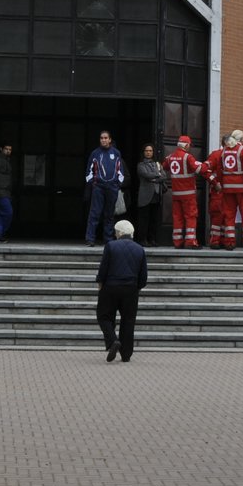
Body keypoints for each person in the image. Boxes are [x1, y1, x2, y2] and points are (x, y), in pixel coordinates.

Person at [95, 219, 148, 362]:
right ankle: (126, 354)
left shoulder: (111, 246)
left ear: (119, 232)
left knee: (104, 316)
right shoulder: (140, 249)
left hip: (110, 287)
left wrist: (100, 282)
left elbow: (104, 267)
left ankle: (113, 341)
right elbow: (143, 276)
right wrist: (137, 287)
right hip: (131, 289)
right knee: (128, 320)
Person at [214, 130, 243, 249]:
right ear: (242, 139)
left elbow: (219, 170)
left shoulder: (224, 151)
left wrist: (221, 185)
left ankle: (229, 242)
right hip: (242, 189)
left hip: (227, 189)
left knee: (229, 215)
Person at [84, 130, 126, 246]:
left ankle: (108, 239)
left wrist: (118, 184)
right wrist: (93, 183)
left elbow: (120, 171)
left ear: (110, 139)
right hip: (99, 187)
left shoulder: (116, 153)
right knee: (94, 213)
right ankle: (90, 239)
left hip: (112, 188)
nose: (103, 140)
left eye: (106, 138)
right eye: (101, 138)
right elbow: (88, 172)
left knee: (109, 215)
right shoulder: (95, 153)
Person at [165, 135, 204, 248]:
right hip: (188, 194)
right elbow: (199, 169)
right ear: (186, 145)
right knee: (191, 216)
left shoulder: (170, 157)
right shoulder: (188, 157)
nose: (189, 148)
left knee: (177, 217)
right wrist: (206, 165)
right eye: (189, 145)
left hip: (176, 194)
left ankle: (177, 242)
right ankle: (190, 241)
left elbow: (164, 167)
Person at [133, 144, 168, 246]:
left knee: (154, 219)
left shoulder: (157, 164)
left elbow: (164, 176)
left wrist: (155, 177)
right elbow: (146, 175)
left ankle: (152, 239)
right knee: (144, 219)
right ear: (143, 152)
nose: (148, 152)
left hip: (156, 195)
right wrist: (158, 174)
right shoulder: (140, 165)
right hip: (145, 196)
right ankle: (142, 239)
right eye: (146, 151)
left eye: (150, 151)